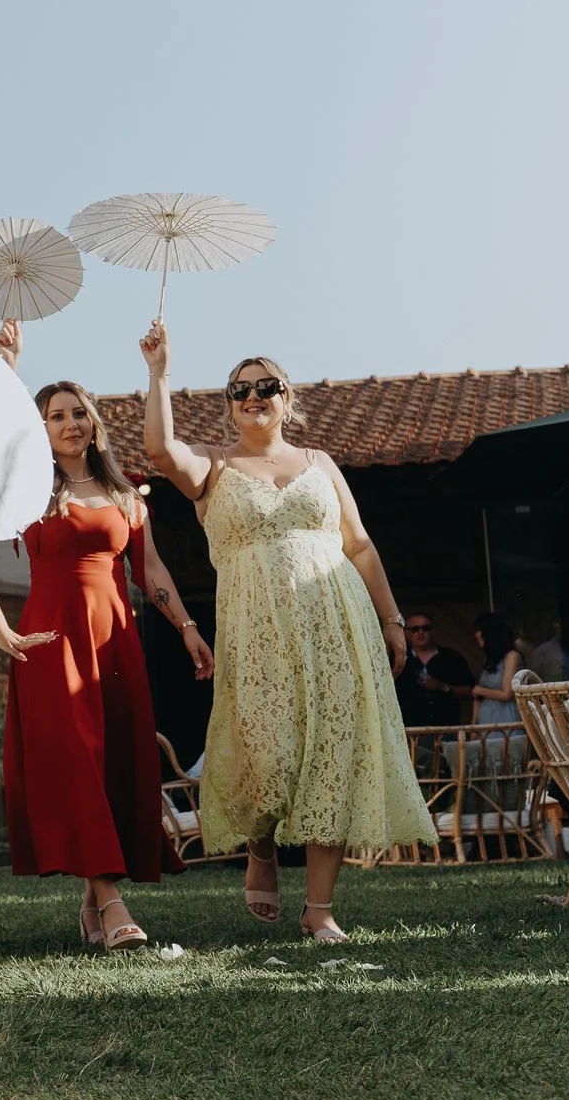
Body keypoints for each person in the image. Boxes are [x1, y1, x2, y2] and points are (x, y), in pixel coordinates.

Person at [141, 323, 430, 942]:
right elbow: (161, 451)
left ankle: (319, 909)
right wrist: (160, 371)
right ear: (228, 403)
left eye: (266, 386)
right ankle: (262, 848)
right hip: (257, 628)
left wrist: (392, 618)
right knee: (266, 754)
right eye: (240, 389)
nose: (253, 396)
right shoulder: (214, 468)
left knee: (332, 751)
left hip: (337, 621)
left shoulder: (320, 463)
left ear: (287, 397)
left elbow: (358, 544)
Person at [0, 321, 212, 951]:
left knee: (112, 759)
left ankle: (92, 906)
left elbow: (150, 569)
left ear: (93, 423)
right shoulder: (28, 489)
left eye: (79, 413)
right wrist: (7, 369)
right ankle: (113, 905)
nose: (70, 424)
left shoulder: (124, 494)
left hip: (116, 636)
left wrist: (188, 627)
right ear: (39, 428)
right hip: (50, 639)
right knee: (78, 758)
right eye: (56, 415)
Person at [393, 613, 472, 730]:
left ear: (433, 631)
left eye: (425, 628)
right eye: (415, 629)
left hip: (447, 728)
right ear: (406, 633)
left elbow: (471, 690)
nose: (421, 632)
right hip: (409, 731)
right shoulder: (398, 660)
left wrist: (443, 687)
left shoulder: (451, 657)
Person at [469, 612, 526, 728]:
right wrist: (473, 726)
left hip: (505, 719)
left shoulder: (512, 656)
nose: (476, 635)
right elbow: (478, 697)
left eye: (478, 631)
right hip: (485, 722)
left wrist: (479, 690)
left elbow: (506, 693)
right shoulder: (489, 659)